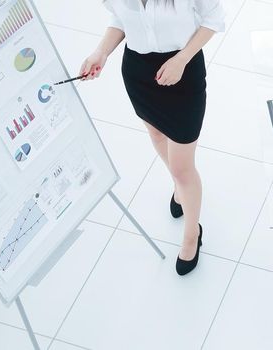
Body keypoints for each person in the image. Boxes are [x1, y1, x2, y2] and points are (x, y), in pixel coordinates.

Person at [81, 0, 225, 275]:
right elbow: (120, 19)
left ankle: (192, 233)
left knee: (184, 169)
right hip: (139, 75)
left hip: (182, 71)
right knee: (157, 134)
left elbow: (213, 19)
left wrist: (182, 59)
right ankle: (179, 187)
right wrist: (101, 53)